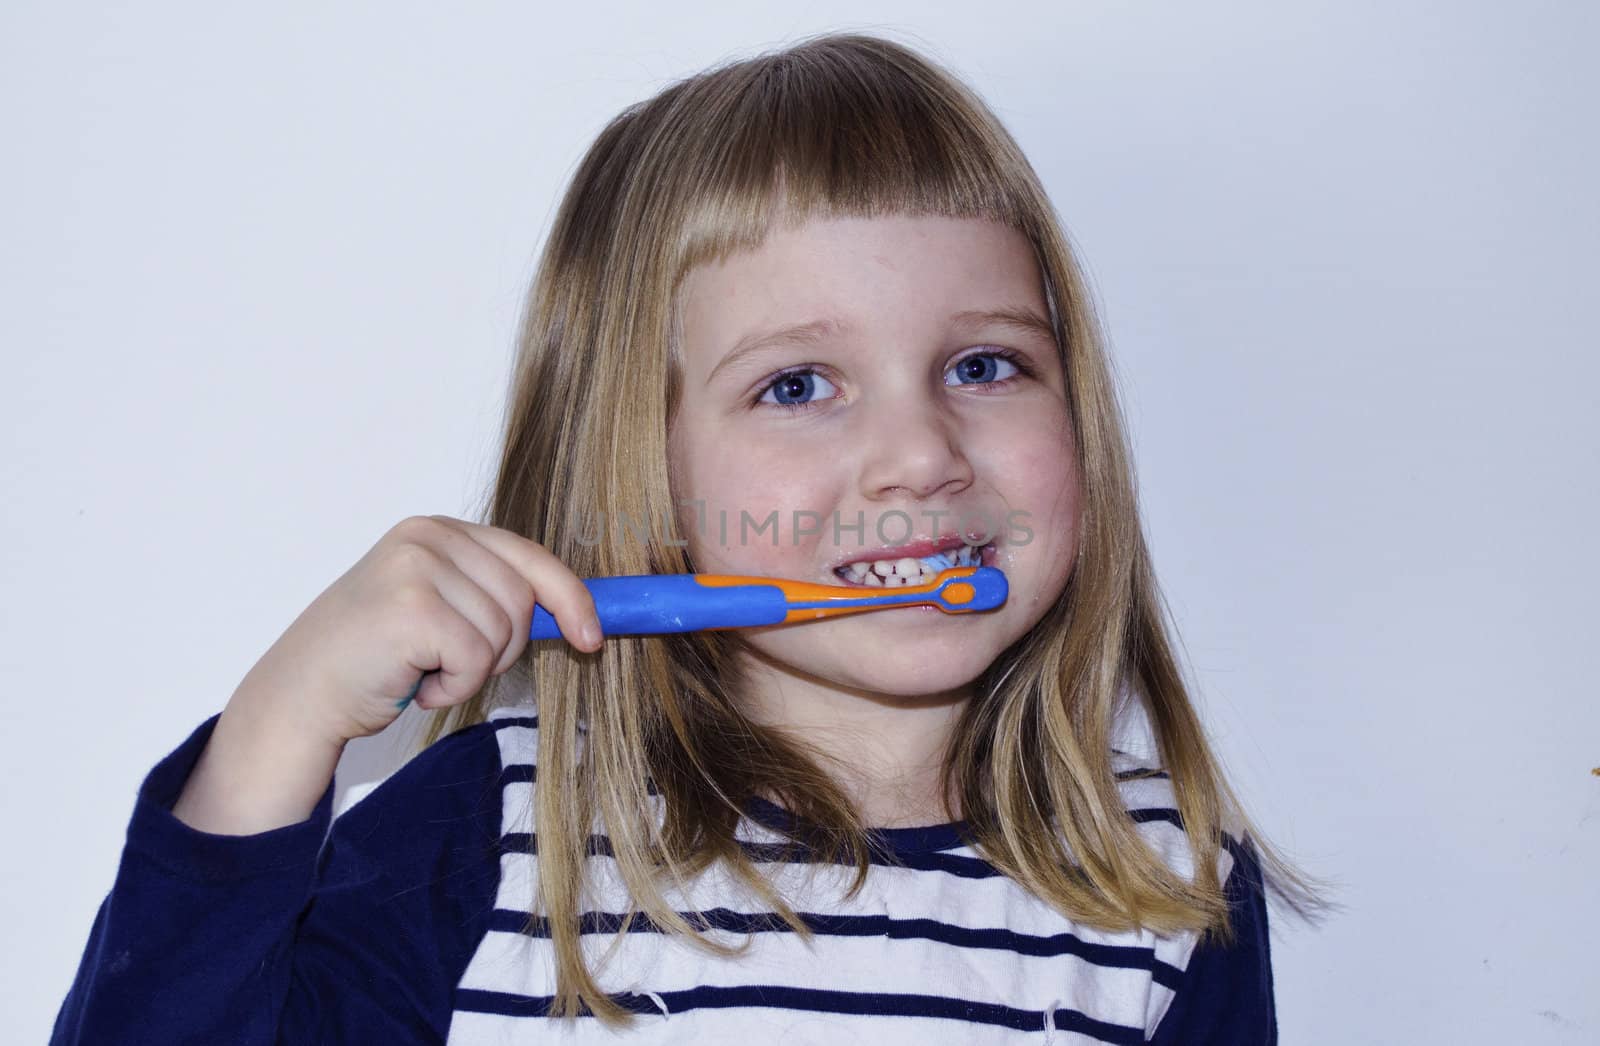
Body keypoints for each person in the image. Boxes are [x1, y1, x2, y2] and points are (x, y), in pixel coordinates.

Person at [51, 30, 1319, 1045]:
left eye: (985, 362)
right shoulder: (503, 829)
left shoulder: (1166, 884)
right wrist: (274, 731)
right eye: (797, 385)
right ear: (640, 468)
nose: (924, 453)